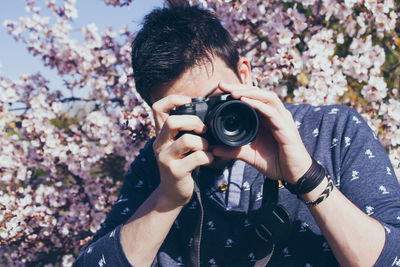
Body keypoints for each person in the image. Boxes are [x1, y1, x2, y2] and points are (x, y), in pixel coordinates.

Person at [74, 3, 400, 267]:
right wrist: (167, 199)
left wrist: (307, 177)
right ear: (158, 113)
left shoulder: (333, 128)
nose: (214, 124)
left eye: (219, 102)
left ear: (244, 73)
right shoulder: (157, 162)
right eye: (189, 113)